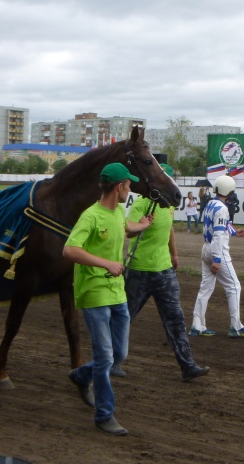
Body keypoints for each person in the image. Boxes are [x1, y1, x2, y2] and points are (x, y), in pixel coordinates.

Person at [63, 162, 152, 436]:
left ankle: (80, 375)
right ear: (119, 187)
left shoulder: (117, 214)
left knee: (119, 355)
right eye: (129, 184)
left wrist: (143, 224)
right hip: (94, 292)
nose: (131, 189)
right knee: (104, 358)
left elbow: (125, 227)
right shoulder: (90, 216)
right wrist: (105, 264)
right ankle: (104, 414)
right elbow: (69, 250)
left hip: (117, 292)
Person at [121, 166, 210, 383]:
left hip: (164, 272)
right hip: (139, 271)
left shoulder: (168, 204)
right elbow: (128, 231)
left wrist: (174, 254)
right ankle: (111, 362)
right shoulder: (142, 203)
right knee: (123, 318)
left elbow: (169, 228)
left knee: (176, 319)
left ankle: (188, 366)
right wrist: (143, 225)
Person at [190, 174, 244, 338]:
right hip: (216, 250)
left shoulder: (211, 204)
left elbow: (221, 226)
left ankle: (197, 326)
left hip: (205, 249)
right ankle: (236, 326)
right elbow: (219, 234)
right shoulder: (223, 208)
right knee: (234, 287)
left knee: (205, 288)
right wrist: (218, 260)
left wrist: (234, 231)